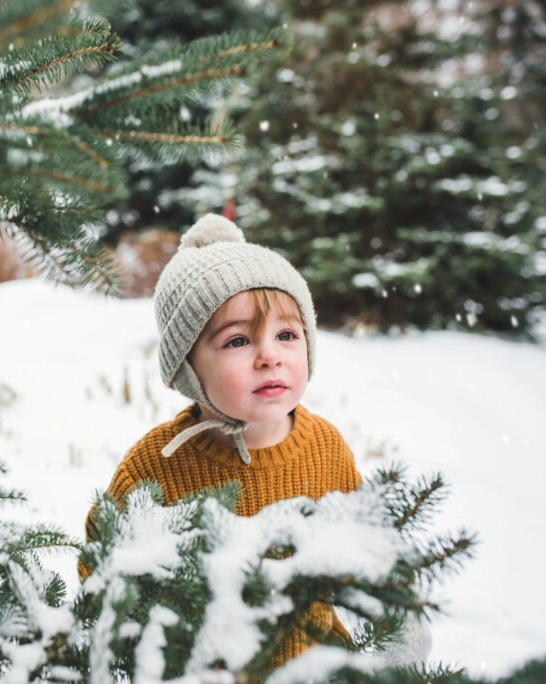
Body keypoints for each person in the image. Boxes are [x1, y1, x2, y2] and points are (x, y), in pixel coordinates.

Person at [82, 212, 363, 667]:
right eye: (237, 342)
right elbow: (100, 566)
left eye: (286, 335)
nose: (269, 356)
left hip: (312, 667)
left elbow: (369, 547)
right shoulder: (157, 465)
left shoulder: (324, 448)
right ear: (188, 367)